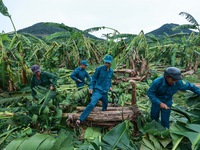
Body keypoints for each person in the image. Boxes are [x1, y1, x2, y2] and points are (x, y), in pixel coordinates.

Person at [76, 55, 114, 126]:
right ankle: (80, 119)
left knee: (105, 104)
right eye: (105, 63)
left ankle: (103, 116)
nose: (106, 64)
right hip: (98, 90)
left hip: (105, 91)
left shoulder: (111, 71)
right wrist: (91, 87)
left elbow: (109, 80)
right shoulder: (99, 69)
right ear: (104, 62)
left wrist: (110, 86)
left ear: (110, 63)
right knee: (92, 104)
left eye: (108, 63)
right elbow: (93, 79)